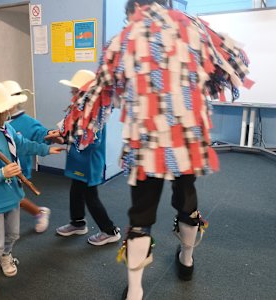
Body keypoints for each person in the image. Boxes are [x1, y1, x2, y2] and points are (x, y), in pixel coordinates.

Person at [58, 1, 251, 299]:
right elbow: (236, 60)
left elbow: (100, 94)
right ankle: (186, 260)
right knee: (187, 203)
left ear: (134, 8)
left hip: (146, 146)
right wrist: (205, 86)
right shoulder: (195, 30)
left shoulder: (121, 42)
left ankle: (135, 291)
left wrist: (73, 130)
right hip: (187, 143)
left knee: (141, 216)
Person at [0, 82, 64, 300]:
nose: (9, 110)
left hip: (14, 195)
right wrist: (2, 173)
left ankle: (6, 256)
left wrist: (46, 149)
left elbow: (23, 145)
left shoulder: (6, 129)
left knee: (13, 235)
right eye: (5, 108)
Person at [55, 70, 121, 246]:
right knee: (75, 191)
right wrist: (63, 134)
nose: (72, 94)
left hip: (89, 164)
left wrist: (66, 138)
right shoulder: (79, 111)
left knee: (91, 197)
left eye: (75, 91)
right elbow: (72, 130)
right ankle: (78, 223)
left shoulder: (95, 115)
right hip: (79, 161)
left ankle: (110, 230)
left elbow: (89, 142)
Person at [1, 80, 64, 233]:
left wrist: (50, 136)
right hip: (1, 167)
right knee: (7, 197)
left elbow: (41, 133)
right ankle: (3, 225)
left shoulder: (27, 122)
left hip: (18, 168)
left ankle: (38, 212)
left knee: (13, 196)